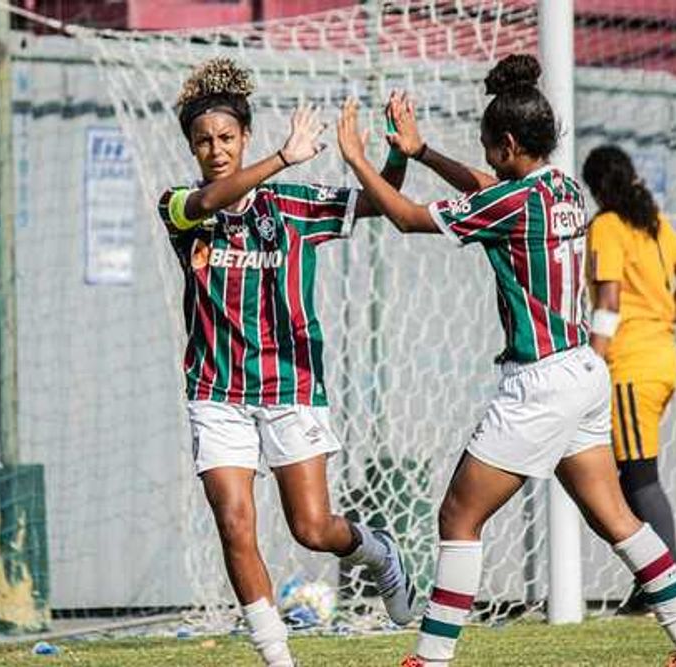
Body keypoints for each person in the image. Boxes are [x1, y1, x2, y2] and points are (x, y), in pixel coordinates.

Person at [335, 54, 676, 667]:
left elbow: (411, 218)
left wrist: (359, 159)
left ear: (508, 143)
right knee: (617, 518)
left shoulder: (516, 201)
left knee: (459, 515)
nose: (486, 157)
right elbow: (485, 186)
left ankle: (431, 659)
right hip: (585, 372)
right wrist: (422, 153)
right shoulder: (563, 188)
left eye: (488, 147)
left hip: (541, 382)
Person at [158, 58, 415, 667]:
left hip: (291, 387)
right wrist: (279, 157)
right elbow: (212, 198)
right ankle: (278, 658)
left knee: (312, 528)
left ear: (243, 136)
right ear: (192, 148)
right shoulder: (179, 207)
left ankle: (377, 552)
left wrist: (392, 155)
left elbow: (382, 202)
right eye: (203, 142)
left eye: (226, 138)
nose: (216, 150)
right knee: (235, 523)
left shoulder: (293, 207)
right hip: (216, 393)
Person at [582, 144, 676, 615]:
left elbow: (609, 302)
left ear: (595, 187)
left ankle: (664, 587)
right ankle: (653, 582)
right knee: (631, 474)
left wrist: (592, 365)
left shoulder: (607, 226)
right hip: (660, 358)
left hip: (631, 366)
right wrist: (665, 322)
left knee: (639, 478)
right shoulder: (650, 223)